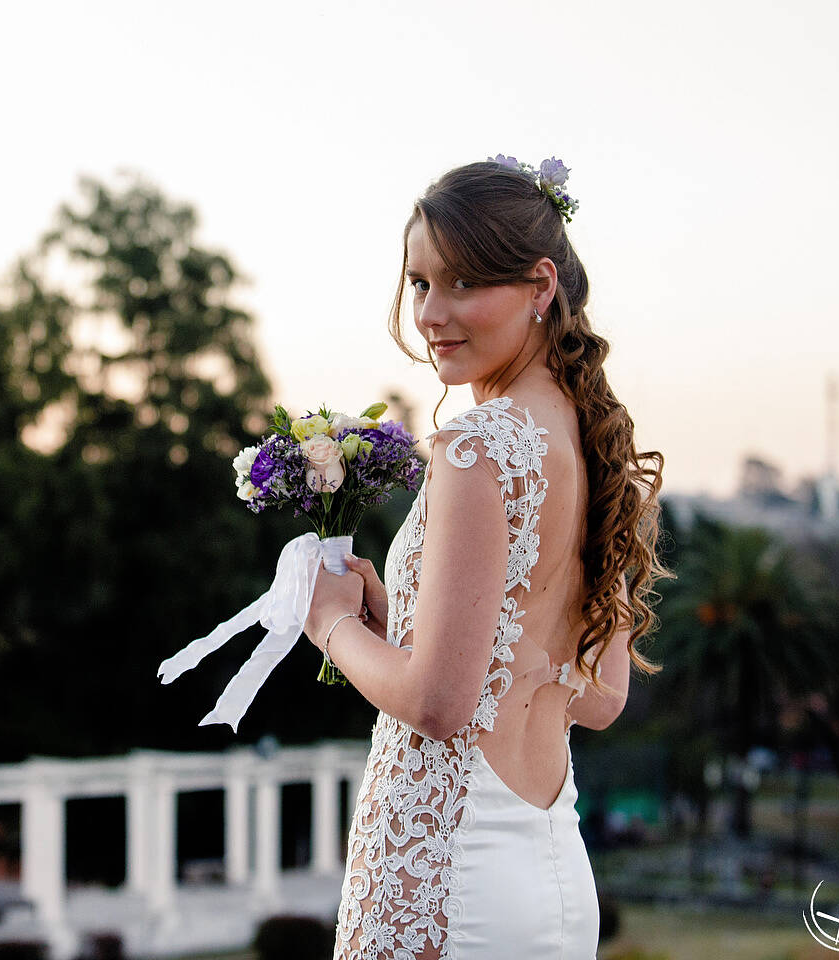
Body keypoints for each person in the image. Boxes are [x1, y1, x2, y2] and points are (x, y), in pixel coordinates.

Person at [302, 156, 671, 958]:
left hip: (443, 871)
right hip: (552, 873)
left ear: (541, 287)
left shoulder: (477, 447)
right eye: (421, 284)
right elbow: (598, 698)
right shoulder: (594, 442)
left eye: (465, 284)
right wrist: (401, 623)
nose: (434, 312)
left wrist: (332, 626)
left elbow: (440, 705)